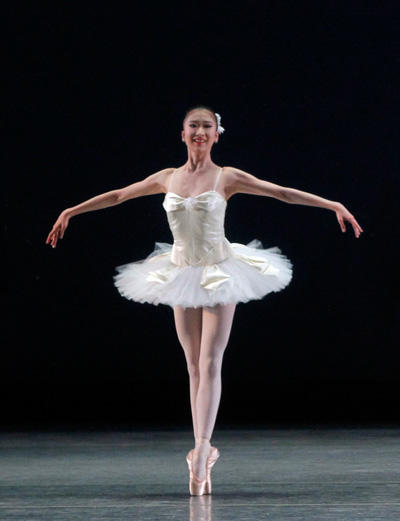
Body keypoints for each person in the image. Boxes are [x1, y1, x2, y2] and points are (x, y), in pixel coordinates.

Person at [46, 105, 363, 496]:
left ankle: (199, 451)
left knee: (211, 361)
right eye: (193, 126)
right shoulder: (167, 177)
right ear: (182, 134)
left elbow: (280, 192)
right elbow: (118, 195)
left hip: (218, 269)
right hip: (180, 270)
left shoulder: (226, 177)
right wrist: (71, 210)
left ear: (217, 134)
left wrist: (332, 204)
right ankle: (204, 450)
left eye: (206, 127)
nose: (200, 132)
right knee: (193, 365)